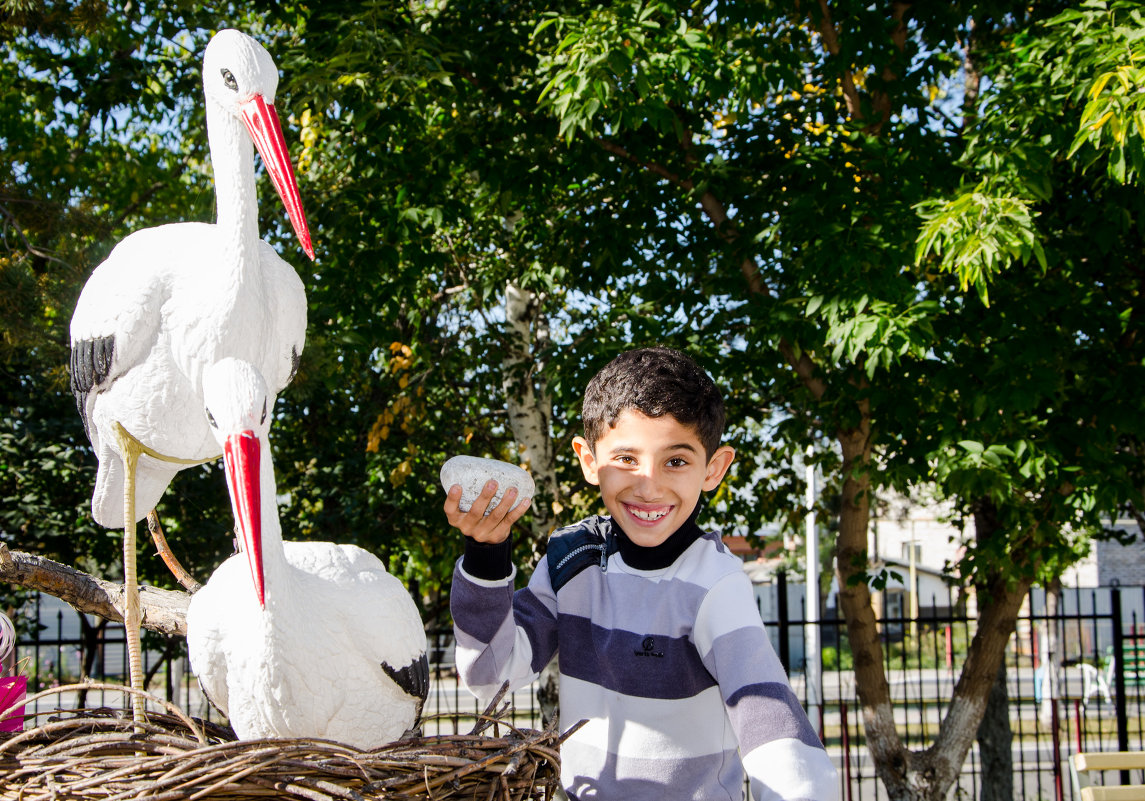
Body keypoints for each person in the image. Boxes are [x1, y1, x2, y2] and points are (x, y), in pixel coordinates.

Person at [444, 346, 838, 801]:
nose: (648, 485)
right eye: (626, 459)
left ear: (713, 468)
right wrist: (487, 554)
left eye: (675, 460)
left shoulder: (716, 584)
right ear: (590, 461)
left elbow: (771, 724)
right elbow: (492, 675)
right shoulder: (571, 560)